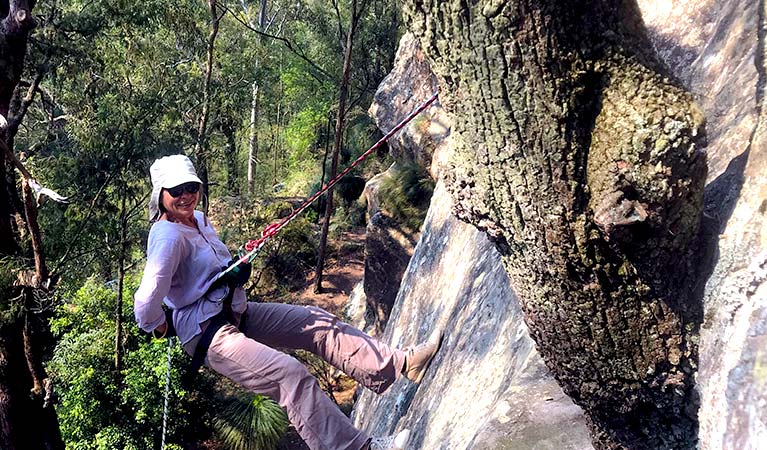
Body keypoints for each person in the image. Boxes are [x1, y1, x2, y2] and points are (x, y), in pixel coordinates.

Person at [133, 154, 442, 450]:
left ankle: (399, 364)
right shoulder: (167, 236)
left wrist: (233, 270)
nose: (186, 196)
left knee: (316, 323)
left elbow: (203, 272)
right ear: (161, 194)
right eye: (176, 191)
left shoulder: (197, 220)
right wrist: (159, 325)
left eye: (192, 188)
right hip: (205, 331)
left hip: (231, 309)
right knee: (288, 375)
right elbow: (146, 300)